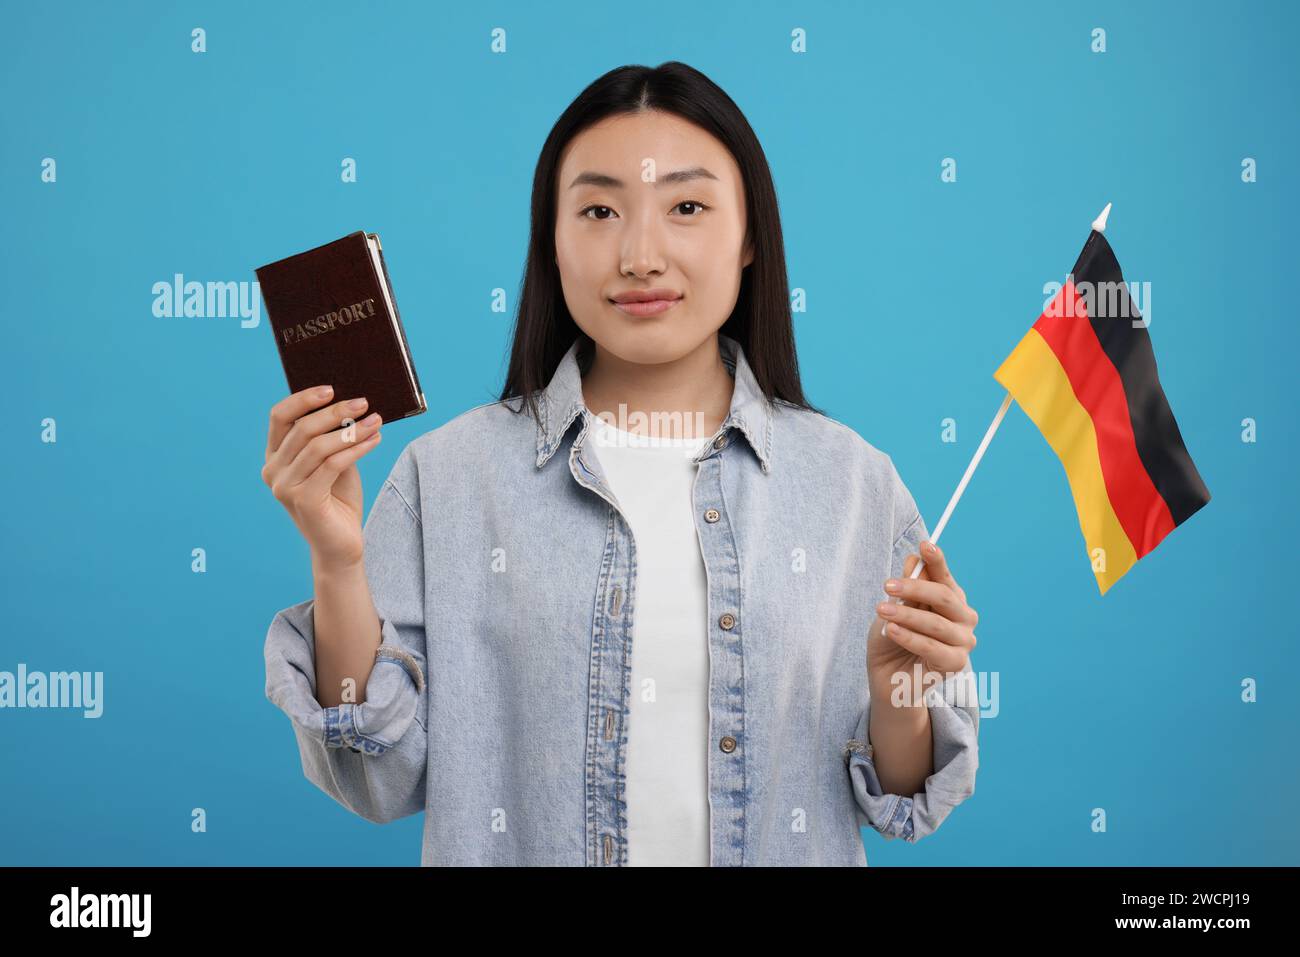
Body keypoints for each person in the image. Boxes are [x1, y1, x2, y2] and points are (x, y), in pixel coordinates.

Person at [261, 61, 980, 866]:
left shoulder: (851, 483)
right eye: (599, 209)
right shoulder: (447, 476)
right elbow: (377, 780)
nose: (640, 254)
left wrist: (899, 692)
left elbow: (902, 798)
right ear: (553, 242)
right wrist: (338, 560)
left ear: (749, 239)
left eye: (687, 206)